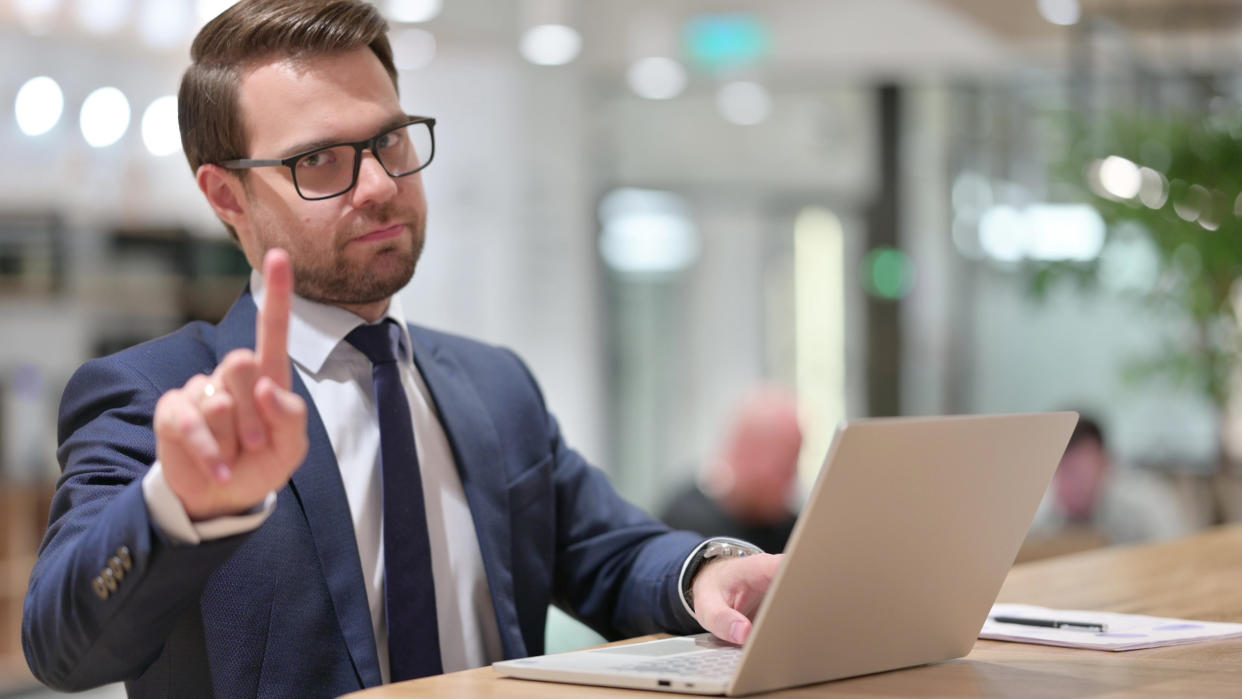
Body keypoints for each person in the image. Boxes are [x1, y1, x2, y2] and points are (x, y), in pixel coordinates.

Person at [20, 2, 781, 695]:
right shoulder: (157, 395)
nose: (381, 184)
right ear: (226, 196)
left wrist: (711, 572)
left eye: (388, 139)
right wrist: (175, 505)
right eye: (319, 160)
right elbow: (63, 648)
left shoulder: (492, 384)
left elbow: (609, 552)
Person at [661, 387, 803, 553]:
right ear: (746, 452)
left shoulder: (791, 530)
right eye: (783, 468)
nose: (792, 480)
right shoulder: (687, 524)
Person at [1028, 415, 1194, 548]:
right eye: (1061, 472)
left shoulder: (1145, 504)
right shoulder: (1042, 515)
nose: (1069, 485)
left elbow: (1179, 553)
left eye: (1077, 474)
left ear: (1105, 464)